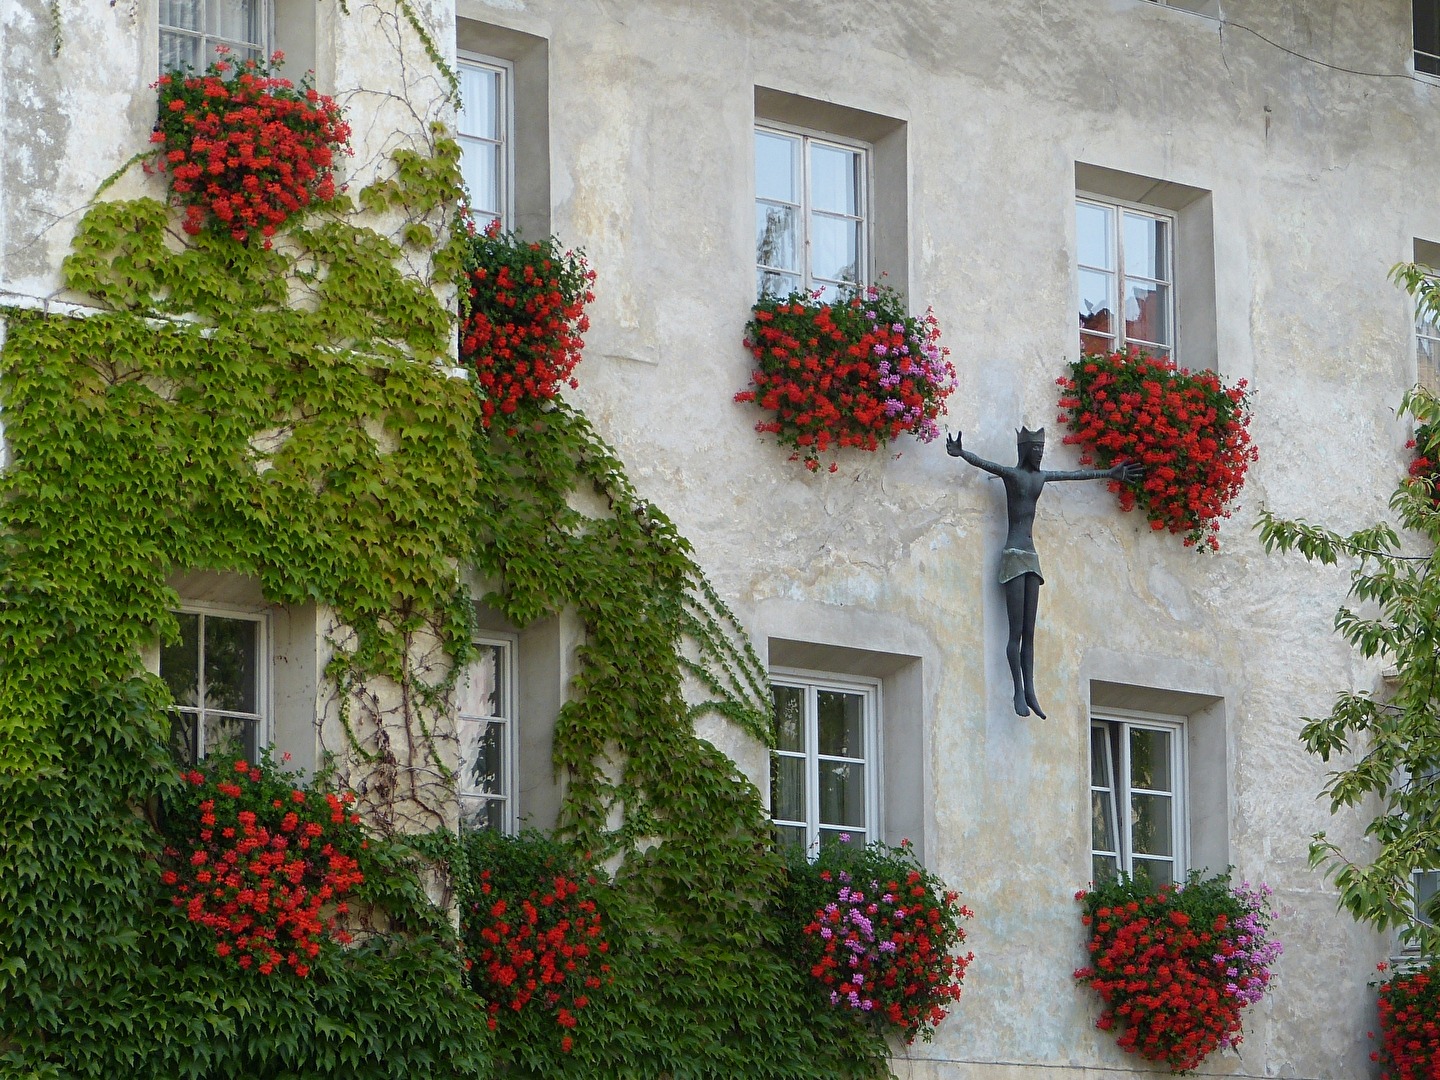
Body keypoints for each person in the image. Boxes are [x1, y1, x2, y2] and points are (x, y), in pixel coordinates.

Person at [947, 427, 1142, 718]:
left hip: (1031, 557)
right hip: (1013, 555)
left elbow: (1074, 476)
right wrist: (962, 453)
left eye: (1042, 450)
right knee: (1015, 633)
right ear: (1025, 451)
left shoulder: (1040, 477)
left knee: (1030, 632)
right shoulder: (1013, 477)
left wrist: (1108, 473)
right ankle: (1017, 690)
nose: (1039, 455)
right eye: (1036, 450)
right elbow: (987, 464)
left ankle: (1031, 690)